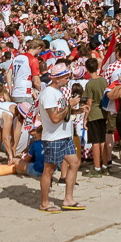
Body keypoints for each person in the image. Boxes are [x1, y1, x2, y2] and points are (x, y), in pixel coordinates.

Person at [37, 63, 83, 213]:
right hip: (53, 138)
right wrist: (70, 106)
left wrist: (77, 110)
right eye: (65, 77)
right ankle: (44, 203)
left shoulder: (59, 91)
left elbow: (63, 112)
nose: (68, 79)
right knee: (49, 170)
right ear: (56, 79)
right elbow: (55, 118)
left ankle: (68, 198)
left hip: (64, 136)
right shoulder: (49, 93)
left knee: (75, 163)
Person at [81, 58, 111, 175]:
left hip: (93, 113)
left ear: (87, 69)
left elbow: (88, 103)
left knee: (95, 142)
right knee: (102, 140)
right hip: (103, 112)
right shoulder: (103, 81)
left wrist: (85, 118)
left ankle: (96, 167)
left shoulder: (90, 84)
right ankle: (105, 165)